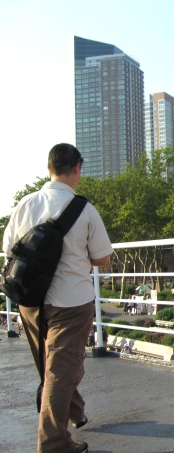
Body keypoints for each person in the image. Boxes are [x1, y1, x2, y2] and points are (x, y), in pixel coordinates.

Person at [2, 143, 113, 453]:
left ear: (49, 168)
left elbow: (10, 247)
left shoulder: (25, 203)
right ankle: (53, 444)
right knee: (61, 370)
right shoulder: (84, 209)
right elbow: (102, 258)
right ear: (76, 168)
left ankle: (74, 411)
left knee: (53, 366)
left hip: (30, 299)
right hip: (71, 302)